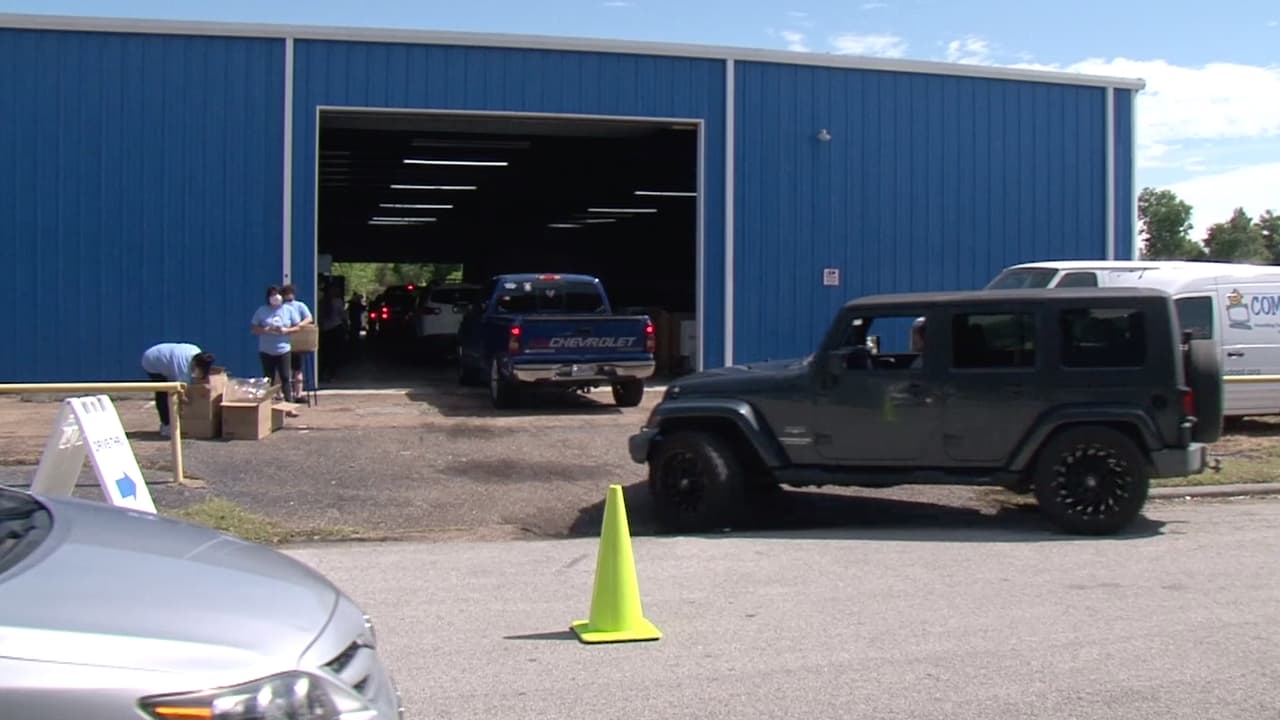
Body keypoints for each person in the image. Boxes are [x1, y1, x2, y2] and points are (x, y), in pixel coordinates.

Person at [140, 343, 215, 437]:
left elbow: (199, 378)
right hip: (153, 360)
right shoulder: (182, 368)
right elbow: (181, 391)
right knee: (163, 392)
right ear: (195, 363)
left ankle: (174, 421)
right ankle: (166, 425)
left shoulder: (197, 352)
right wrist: (187, 400)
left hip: (168, 356)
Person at [251, 285, 302, 404]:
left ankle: (289, 404)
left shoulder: (288, 310)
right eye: (272, 294)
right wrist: (265, 330)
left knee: (285, 377)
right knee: (269, 379)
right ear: (268, 297)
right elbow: (254, 328)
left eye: (277, 294)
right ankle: (267, 405)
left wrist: (286, 331)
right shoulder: (262, 310)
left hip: (283, 349)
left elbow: (297, 327)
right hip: (266, 350)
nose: (275, 297)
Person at [281, 284, 314, 399]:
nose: (288, 295)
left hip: (297, 342)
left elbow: (309, 318)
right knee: (282, 371)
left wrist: (299, 325)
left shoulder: (300, 306)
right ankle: (280, 394)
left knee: (297, 368)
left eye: (290, 293)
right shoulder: (280, 308)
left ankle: (298, 394)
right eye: (286, 293)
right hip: (282, 342)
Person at [318, 283, 347, 382]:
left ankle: (321, 374)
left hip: (325, 330)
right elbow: (342, 315)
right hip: (335, 329)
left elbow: (319, 316)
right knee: (334, 353)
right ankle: (332, 375)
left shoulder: (321, 302)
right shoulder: (338, 302)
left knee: (325, 353)